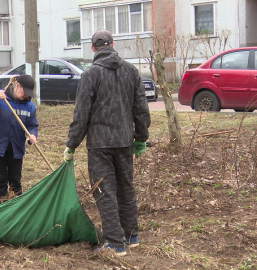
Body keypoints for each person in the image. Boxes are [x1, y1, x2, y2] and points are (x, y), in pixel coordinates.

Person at [64, 30, 151, 256]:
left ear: (93, 48)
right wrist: (140, 138)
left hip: (100, 145)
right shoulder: (131, 71)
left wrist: (71, 144)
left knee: (103, 191)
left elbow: (81, 114)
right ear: (113, 44)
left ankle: (115, 243)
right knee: (125, 188)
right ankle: (131, 236)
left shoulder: (90, 74)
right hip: (124, 142)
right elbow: (141, 108)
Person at [0, 75, 39, 202]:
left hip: (16, 148)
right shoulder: (0, 97)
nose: (25, 96)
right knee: (1, 181)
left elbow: (32, 125)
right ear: (17, 86)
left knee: (15, 182)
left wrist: (32, 134)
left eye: (28, 94)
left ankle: (17, 209)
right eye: (24, 92)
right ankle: (2, 208)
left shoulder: (29, 106)